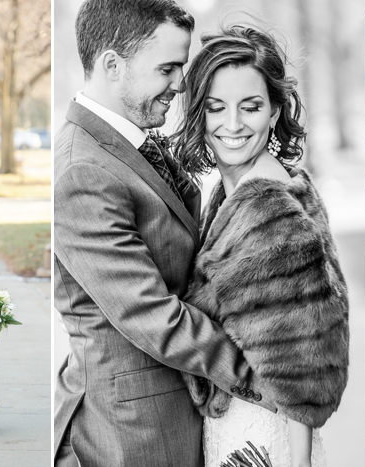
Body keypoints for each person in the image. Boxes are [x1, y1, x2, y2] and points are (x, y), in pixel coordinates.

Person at [53, 1, 274, 466]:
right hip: (130, 432)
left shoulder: (125, 142)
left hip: (170, 411)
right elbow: (150, 312)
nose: (180, 84)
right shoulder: (83, 171)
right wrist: (262, 375)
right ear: (113, 65)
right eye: (167, 68)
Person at [172, 25, 349, 466]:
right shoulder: (239, 191)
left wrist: (299, 462)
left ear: (274, 112)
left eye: (250, 107)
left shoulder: (268, 208)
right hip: (242, 421)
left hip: (261, 438)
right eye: (216, 107)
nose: (232, 125)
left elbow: (305, 362)